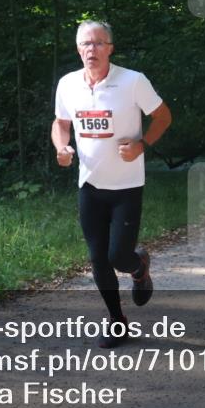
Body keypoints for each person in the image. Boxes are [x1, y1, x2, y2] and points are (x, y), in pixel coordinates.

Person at [52, 20, 172, 348]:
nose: (91, 49)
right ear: (78, 49)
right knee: (98, 259)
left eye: (98, 43)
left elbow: (163, 116)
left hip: (126, 186)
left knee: (119, 256)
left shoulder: (133, 81)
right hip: (90, 185)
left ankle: (139, 266)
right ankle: (117, 321)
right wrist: (61, 147)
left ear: (110, 48)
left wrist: (141, 145)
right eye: (85, 44)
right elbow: (61, 123)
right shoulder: (68, 84)